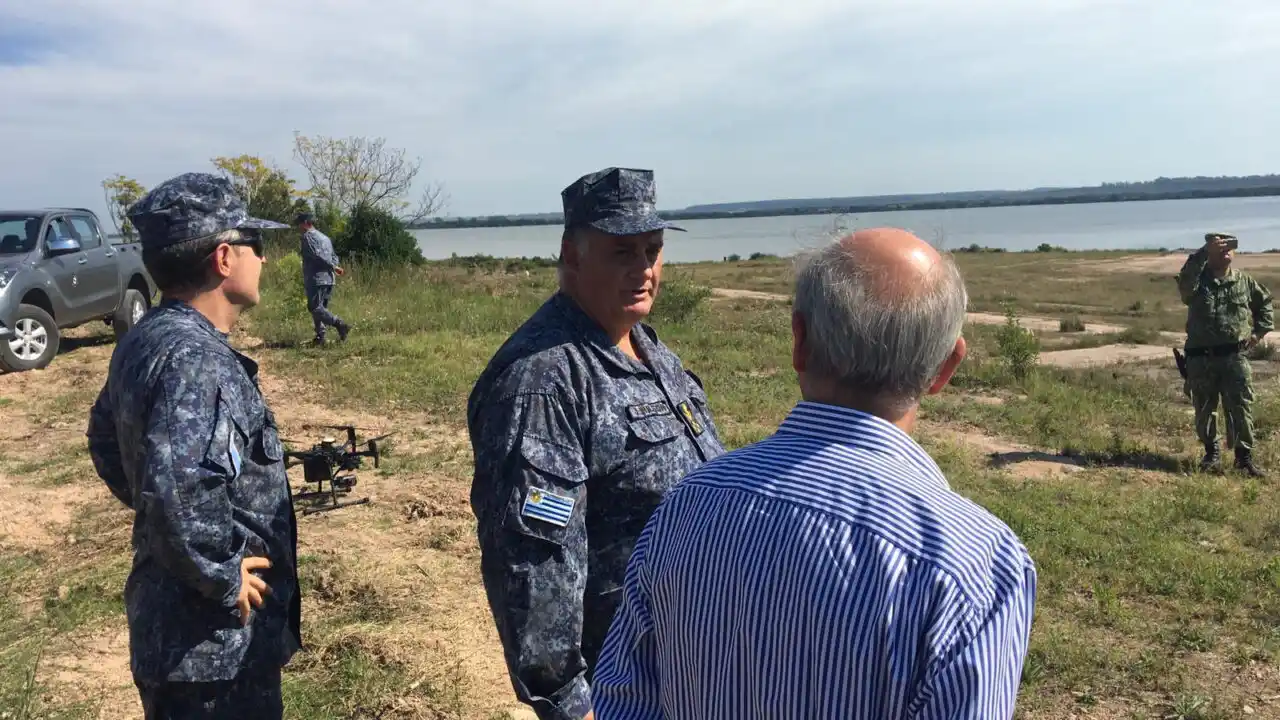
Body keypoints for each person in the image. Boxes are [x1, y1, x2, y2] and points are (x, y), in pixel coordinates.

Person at [591, 228, 1039, 719]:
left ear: (799, 341)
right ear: (944, 368)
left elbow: (624, 699)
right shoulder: (975, 565)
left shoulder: (688, 504)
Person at [467, 167, 726, 720]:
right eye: (621, 252)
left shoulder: (647, 348)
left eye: (653, 250)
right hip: (623, 686)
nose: (644, 270)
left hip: (691, 664)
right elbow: (533, 563)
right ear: (573, 253)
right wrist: (567, 703)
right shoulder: (543, 381)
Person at [86, 172, 302, 719]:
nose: (265, 260)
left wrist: (165, 521)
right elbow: (176, 490)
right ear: (224, 259)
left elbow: (107, 441)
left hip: (179, 633)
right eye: (258, 245)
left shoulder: (147, 337)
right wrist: (222, 574)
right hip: (210, 649)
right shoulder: (195, 360)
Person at [1176, 231, 1273, 476]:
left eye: (1229, 245)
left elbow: (1264, 304)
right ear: (1209, 253)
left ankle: (1244, 458)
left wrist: (1258, 334)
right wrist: (1201, 252)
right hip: (1202, 357)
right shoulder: (1198, 282)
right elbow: (1185, 282)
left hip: (1235, 357)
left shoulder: (1243, 281)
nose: (1225, 250)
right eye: (1219, 247)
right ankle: (1212, 454)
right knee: (1205, 407)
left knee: (1241, 406)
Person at [295, 212, 350, 345]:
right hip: (329, 279)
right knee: (320, 309)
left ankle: (340, 324)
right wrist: (334, 266)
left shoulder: (307, 237)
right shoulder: (325, 238)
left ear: (306, 223)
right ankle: (320, 336)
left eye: (299, 223)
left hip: (316, 277)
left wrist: (332, 267)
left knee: (314, 307)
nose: (298, 227)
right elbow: (334, 256)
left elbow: (316, 256)